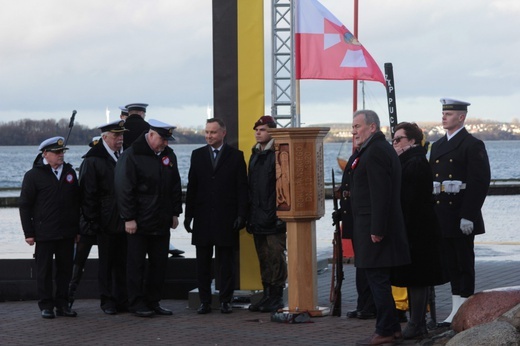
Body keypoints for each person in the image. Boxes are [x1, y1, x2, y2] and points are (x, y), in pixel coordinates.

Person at [348, 110, 410, 346]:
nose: (354, 131)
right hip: (373, 225)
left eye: (357, 126)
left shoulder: (375, 152)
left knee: (378, 281)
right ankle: (393, 329)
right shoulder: (376, 148)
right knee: (379, 278)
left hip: (374, 228)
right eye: (352, 127)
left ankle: (384, 329)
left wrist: (377, 228)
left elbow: (380, 194)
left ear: (372, 127)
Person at [430, 98, 491, 327]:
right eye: (443, 113)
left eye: (449, 113)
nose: (444, 117)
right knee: (450, 263)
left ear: (461, 117)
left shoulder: (472, 144)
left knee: (464, 262)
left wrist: (469, 214)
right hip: (442, 214)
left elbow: (480, 181)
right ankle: (456, 308)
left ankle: (465, 308)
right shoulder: (436, 146)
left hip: (461, 213)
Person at [115, 119, 183, 317]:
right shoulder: (132, 155)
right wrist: (128, 217)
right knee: (136, 264)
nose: (166, 143)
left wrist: (174, 213)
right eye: (163, 139)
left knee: (159, 264)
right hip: (139, 222)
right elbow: (124, 188)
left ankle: (153, 301)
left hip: (161, 219)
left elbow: (175, 185)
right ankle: (136, 303)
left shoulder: (168, 155)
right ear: (151, 135)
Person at [184, 118, 248, 314]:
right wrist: (188, 216)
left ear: (223, 133)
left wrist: (241, 215)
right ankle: (205, 301)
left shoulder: (236, 156)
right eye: (206, 132)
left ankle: (225, 300)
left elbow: (241, 189)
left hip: (226, 217)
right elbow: (192, 188)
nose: (209, 136)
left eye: (213, 132)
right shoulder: (197, 155)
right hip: (203, 218)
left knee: (226, 262)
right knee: (202, 263)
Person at [390, 122, 447, 339]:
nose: (394, 143)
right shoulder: (408, 161)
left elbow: (409, 199)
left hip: (418, 230)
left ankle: (416, 324)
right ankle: (417, 323)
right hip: (415, 228)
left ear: (411, 141)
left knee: (418, 278)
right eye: (393, 140)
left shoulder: (414, 163)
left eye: (398, 139)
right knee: (416, 278)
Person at [19, 136, 80, 319]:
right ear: (45, 154)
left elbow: (76, 203)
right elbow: (25, 205)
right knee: (44, 271)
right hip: (44, 232)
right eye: (57, 152)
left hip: (66, 232)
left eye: (62, 152)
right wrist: (28, 233)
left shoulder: (70, 173)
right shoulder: (33, 175)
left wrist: (77, 230)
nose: (61, 155)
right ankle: (46, 305)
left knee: (65, 271)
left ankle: (63, 304)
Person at [79, 120, 129, 315]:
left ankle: (122, 299)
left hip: (123, 218)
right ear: (105, 137)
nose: (120, 139)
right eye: (116, 136)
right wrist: (93, 220)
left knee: (122, 262)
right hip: (104, 221)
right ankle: (107, 300)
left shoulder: (123, 157)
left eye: (122, 136)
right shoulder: (93, 160)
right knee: (106, 263)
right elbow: (87, 193)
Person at [246, 115, 287, 313]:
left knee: (275, 257)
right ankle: (267, 295)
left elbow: (284, 187)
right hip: (257, 217)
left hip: (273, 217)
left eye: (261, 129)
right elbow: (250, 189)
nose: (257, 133)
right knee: (263, 257)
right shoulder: (255, 155)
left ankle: (276, 297)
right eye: (256, 130)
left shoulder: (278, 153)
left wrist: (281, 216)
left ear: (271, 131)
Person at [334, 144, 377, 321]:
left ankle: (369, 305)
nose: (355, 132)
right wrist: (341, 211)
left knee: (367, 266)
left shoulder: (370, 155)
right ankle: (363, 304)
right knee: (360, 266)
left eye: (358, 128)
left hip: (365, 219)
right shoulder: (356, 156)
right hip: (353, 217)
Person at [67, 136, 101, 308]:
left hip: (95, 220)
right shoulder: (90, 163)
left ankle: (69, 295)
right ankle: (69, 295)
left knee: (79, 262)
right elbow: (83, 195)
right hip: (88, 222)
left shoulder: (90, 163)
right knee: (78, 262)